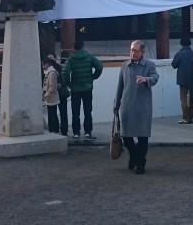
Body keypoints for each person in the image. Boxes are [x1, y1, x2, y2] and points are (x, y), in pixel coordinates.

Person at [114, 40, 159, 175]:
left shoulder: (149, 65)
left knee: (142, 137)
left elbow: (155, 77)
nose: (133, 53)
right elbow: (120, 86)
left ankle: (140, 163)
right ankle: (133, 155)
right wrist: (116, 104)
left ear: (142, 52)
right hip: (127, 106)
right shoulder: (124, 66)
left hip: (142, 106)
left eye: (136, 50)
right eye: (131, 50)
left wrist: (146, 80)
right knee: (126, 137)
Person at [62, 39, 103, 141]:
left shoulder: (71, 58)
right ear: (83, 46)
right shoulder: (89, 57)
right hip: (87, 88)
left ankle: (76, 133)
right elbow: (99, 66)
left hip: (75, 89)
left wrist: (69, 84)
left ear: (74, 47)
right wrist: (93, 77)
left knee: (75, 112)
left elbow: (65, 72)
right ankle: (88, 133)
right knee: (87, 112)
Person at [171, 37, 193, 124]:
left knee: (184, 99)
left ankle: (186, 117)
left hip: (182, 79)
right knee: (192, 99)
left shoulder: (179, 54)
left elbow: (174, 64)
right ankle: (191, 116)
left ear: (181, 44)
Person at [41, 56, 61, 134]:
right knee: (51, 114)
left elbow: (52, 87)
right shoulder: (48, 73)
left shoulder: (52, 73)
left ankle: (54, 130)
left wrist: (45, 95)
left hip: (52, 98)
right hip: (50, 98)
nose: (43, 67)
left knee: (52, 115)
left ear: (48, 64)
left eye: (44, 65)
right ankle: (53, 129)